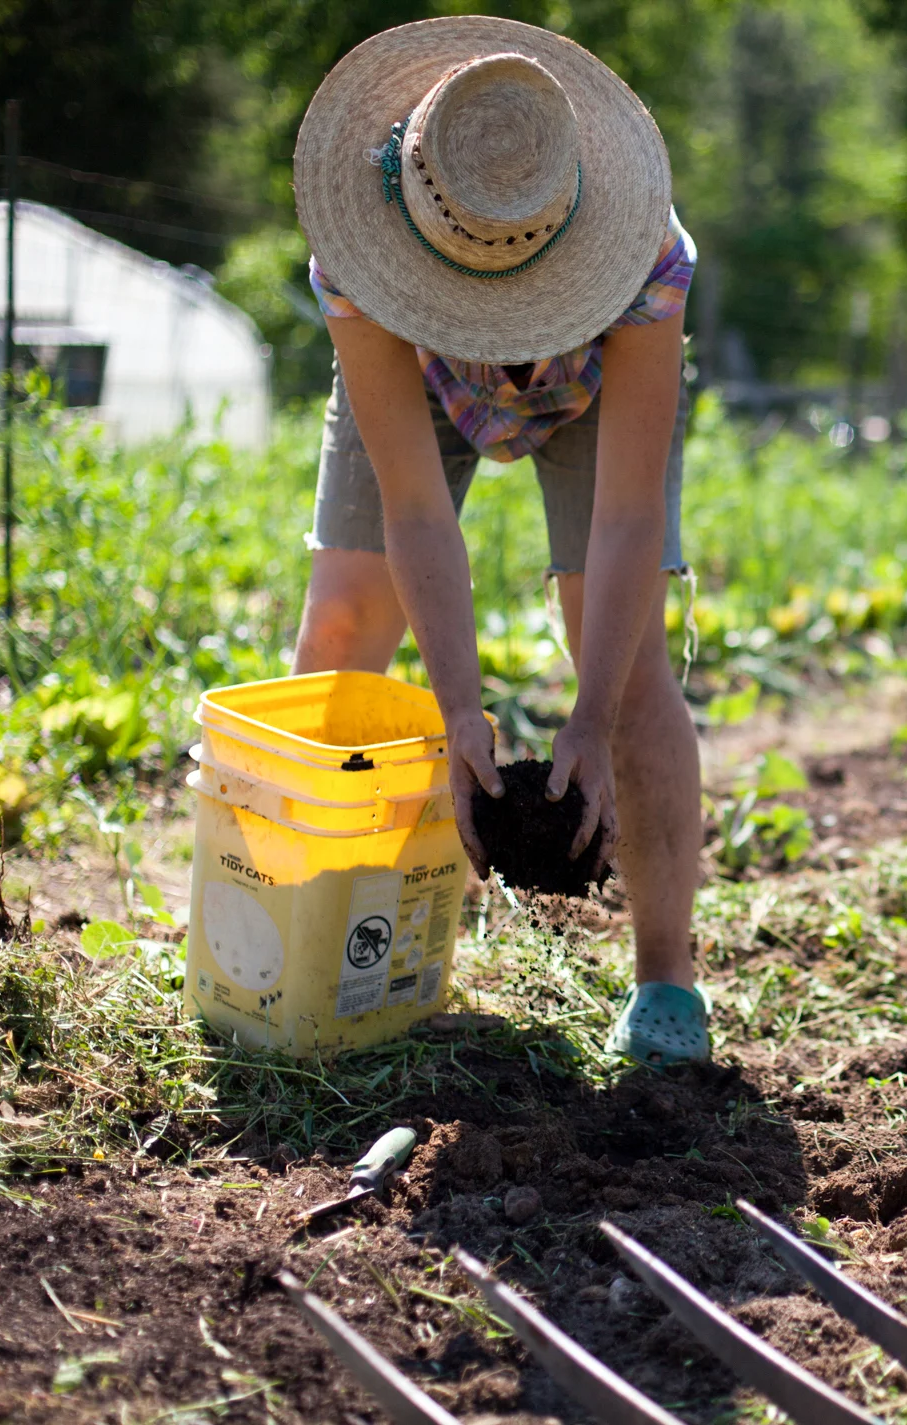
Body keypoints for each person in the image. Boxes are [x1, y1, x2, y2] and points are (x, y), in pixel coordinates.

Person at [290, 16, 707, 1065]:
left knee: (629, 665)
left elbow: (624, 518)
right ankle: (304, 946)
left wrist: (588, 719)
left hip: (592, 385)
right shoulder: (359, 258)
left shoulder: (648, 260)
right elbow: (417, 513)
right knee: (342, 626)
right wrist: (458, 710)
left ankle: (666, 987)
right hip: (418, 378)